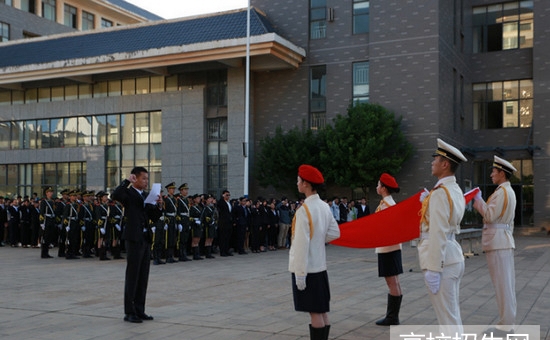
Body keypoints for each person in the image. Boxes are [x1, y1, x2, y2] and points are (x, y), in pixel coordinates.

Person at [418, 138, 467, 335]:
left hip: (442, 261)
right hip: (452, 255)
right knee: (451, 316)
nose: (432, 162)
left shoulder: (440, 193)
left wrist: (433, 268)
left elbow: (437, 231)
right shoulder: (453, 189)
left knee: (447, 320)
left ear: (445, 164)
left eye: (435, 159)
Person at [289, 164, 340, 340]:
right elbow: (335, 233)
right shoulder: (325, 206)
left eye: (298, 180)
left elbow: (301, 246)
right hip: (320, 268)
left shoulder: (304, 210)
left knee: (315, 313)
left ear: (306, 184)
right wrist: (318, 239)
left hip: (308, 270)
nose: (297, 183)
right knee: (322, 310)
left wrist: (300, 275)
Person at [112, 166, 163, 323]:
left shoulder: (147, 195)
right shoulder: (128, 192)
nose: (146, 181)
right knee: (133, 275)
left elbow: (153, 216)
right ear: (135, 178)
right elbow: (115, 195)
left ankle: (140, 309)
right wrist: (126, 181)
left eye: (147, 179)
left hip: (145, 237)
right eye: (143, 178)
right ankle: (129, 311)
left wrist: (159, 205)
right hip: (133, 237)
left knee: (143, 276)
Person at [473, 156, 517, 335]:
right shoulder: (507, 191)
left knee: (503, 285)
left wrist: (478, 201)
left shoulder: (502, 192)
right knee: (505, 284)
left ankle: (506, 326)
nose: (491, 174)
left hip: (498, 242)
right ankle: (506, 323)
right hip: (502, 240)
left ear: (502, 173)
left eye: (494, 171)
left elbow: (489, 216)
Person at [373, 173, 403, 326]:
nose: (376, 187)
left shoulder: (387, 206)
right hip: (391, 248)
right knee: (394, 281)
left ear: (384, 188)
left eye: (378, 184)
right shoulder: (388, 203)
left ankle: (392, 317)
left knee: (392, 282)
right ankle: (392, 316)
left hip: (388, 249)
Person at [39, 187, 56, 258]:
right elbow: (41, 212)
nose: (51, 193)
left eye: (52, 192)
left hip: (51, 220)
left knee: (49, 237)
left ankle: (47, 252)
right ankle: (43, 253)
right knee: (45, 237)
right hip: (46, 220)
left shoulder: (52, 201)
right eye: (49, 192)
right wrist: (42, 222)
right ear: (46, 193)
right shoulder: (44, 201)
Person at [217, 190, 234, 257]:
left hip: (229, 222)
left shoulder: (229, 203)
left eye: (229, 195)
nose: (228, 196)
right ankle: (222, 251)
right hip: (223, 222)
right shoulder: (221, 202)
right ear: (223, 195)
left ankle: (227, 250)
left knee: (228, 237)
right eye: (227, 195)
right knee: (223, 237)